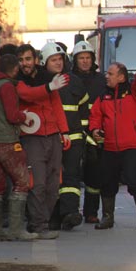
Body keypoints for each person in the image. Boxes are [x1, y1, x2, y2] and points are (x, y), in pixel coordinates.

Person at [16, 42, 70, 239]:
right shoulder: (18, 80)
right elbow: (26, 94)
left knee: (53, 184)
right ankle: (38, 225)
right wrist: (48, 87)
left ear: (36, 60)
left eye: (28, 59)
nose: (24, 64)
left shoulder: (46, 78)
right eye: (21, 60)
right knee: (37, 184)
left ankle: (42, 222)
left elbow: (56, 105)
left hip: (53, 135)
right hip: (32, 138)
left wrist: (64, 131)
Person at [0, 54, 37, 242]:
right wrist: (24, 116)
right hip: (6, 141)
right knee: (22, 181)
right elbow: (12, 116)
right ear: (13, 69)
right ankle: (16, 230)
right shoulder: (6, 86)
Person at [89, 62, 136, 230]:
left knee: (133, 179)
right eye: (106, 73)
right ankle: (107, 217)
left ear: (121, 77)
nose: (106, 76)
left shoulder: (134, 92)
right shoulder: (103, 96)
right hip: (110, 147)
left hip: (133, 146)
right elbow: (95, 115)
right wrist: (95, 130)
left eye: (110, 73)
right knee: (107, 182)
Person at [50, 43, 89, 231]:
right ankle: (54, 216)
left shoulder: (74, 81)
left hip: (73, 137)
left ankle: (70, 212)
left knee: (72, 176)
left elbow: (84, 107)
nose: (58, 63)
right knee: (52, 177)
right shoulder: (43, 82)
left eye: (60, 59)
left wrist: (83, 132)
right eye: (53, 60)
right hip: (50, 138)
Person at [71, 41, 106, 224]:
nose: (85, 61)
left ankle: (91, 212)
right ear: (75, 60)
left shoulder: (101, 80)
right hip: (74, 132)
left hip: (95, 133)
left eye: (88, 58)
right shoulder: (68, 79)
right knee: (72, 174)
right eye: (81, 58)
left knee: (95, 174)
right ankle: (71, 210)